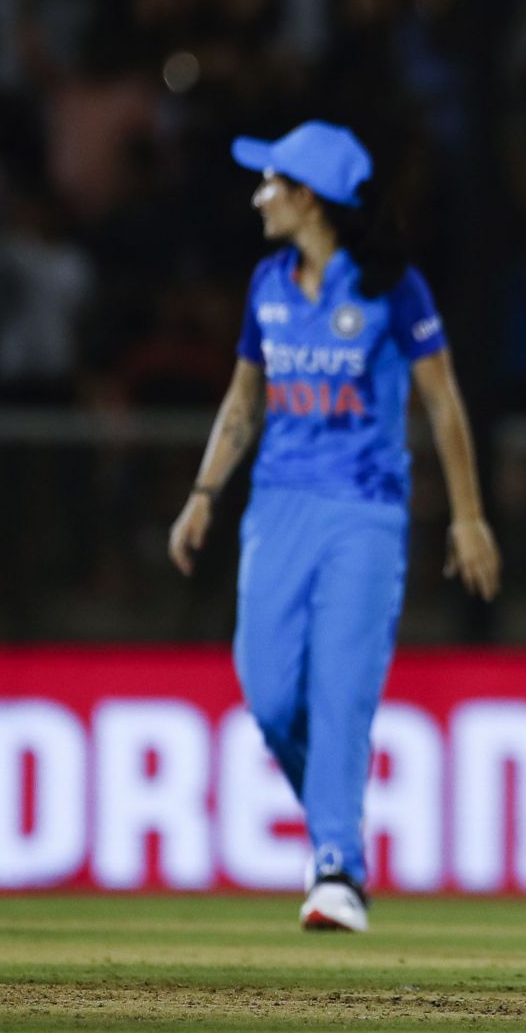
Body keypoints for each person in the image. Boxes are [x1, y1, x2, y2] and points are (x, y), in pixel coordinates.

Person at [168, 121, 500, 933]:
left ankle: (336, 867)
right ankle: (335, 836)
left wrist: (467, 517)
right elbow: (244, 401)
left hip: (365, 513)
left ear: (308, 197)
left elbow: (443, 402)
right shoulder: (268, 283)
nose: (258, 197)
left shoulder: (393, 288)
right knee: (272, 695)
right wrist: (205, 492)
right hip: (276, 507)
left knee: (342, 696)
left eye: (271, 183)